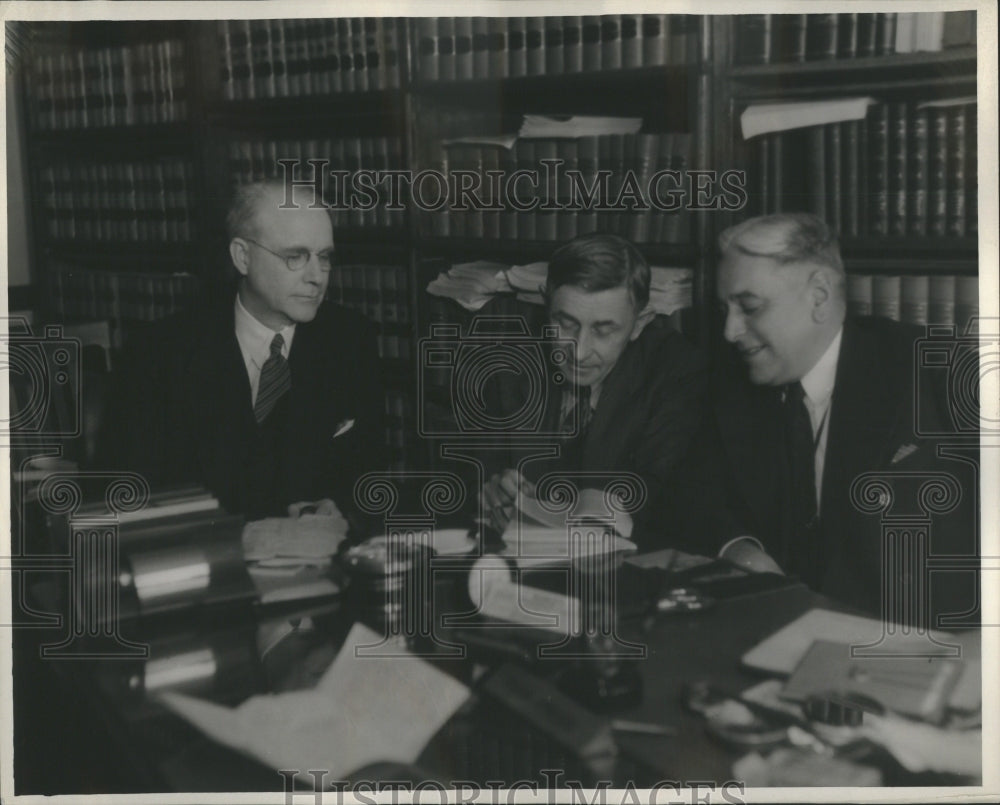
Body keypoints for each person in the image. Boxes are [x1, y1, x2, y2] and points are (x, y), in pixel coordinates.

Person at [685, 213, 977, 624]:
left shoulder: (940, 369)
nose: (730, 331)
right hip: (781, 633)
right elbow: (699, 496)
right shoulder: (735, 383)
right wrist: (738, 547)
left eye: (749, 307)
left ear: (819, 296)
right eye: (725, 309)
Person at [99, 180, 385, 522]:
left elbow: (368, 471)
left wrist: (341, 506)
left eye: (324, 258)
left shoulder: (351, 337)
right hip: (208, 557)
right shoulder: (159, 352)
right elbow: (129, 492)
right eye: (295, 256)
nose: (317, 277)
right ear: (242, 256)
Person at [479, 233, 706, 545]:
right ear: (546, 303)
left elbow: (663, 506)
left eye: (604, 330)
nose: (579, 351)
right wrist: (491, 490)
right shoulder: (512, 362)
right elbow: (479, 466)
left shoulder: (676, 372)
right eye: (566, 323)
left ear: (640, 323)